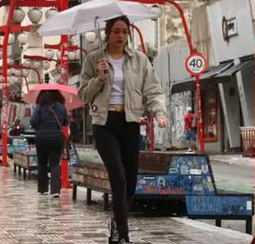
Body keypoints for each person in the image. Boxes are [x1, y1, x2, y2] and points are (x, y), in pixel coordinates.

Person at [79, 16, 168, 244]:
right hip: (105, 123)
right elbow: (82, 95)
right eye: (116, 31)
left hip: (130, 122)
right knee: (118, 177)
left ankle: (116, 222)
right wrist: (98, 79)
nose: (120, 36)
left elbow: (152, 90)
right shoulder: (93, 59)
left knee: (130, 180)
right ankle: (124, 236)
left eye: (124, 32)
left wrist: (159, 112)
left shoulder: (139, 60)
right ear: (107, 33)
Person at [29, 90, 69, 198]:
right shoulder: (61, 107)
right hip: (56, 137)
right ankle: (55, 191)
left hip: (42, 137)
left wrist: (39, 127)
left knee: (42, 163)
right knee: (55, 164)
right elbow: (66, 122)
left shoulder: (40, 106)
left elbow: (32, 122)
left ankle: (43, 189)